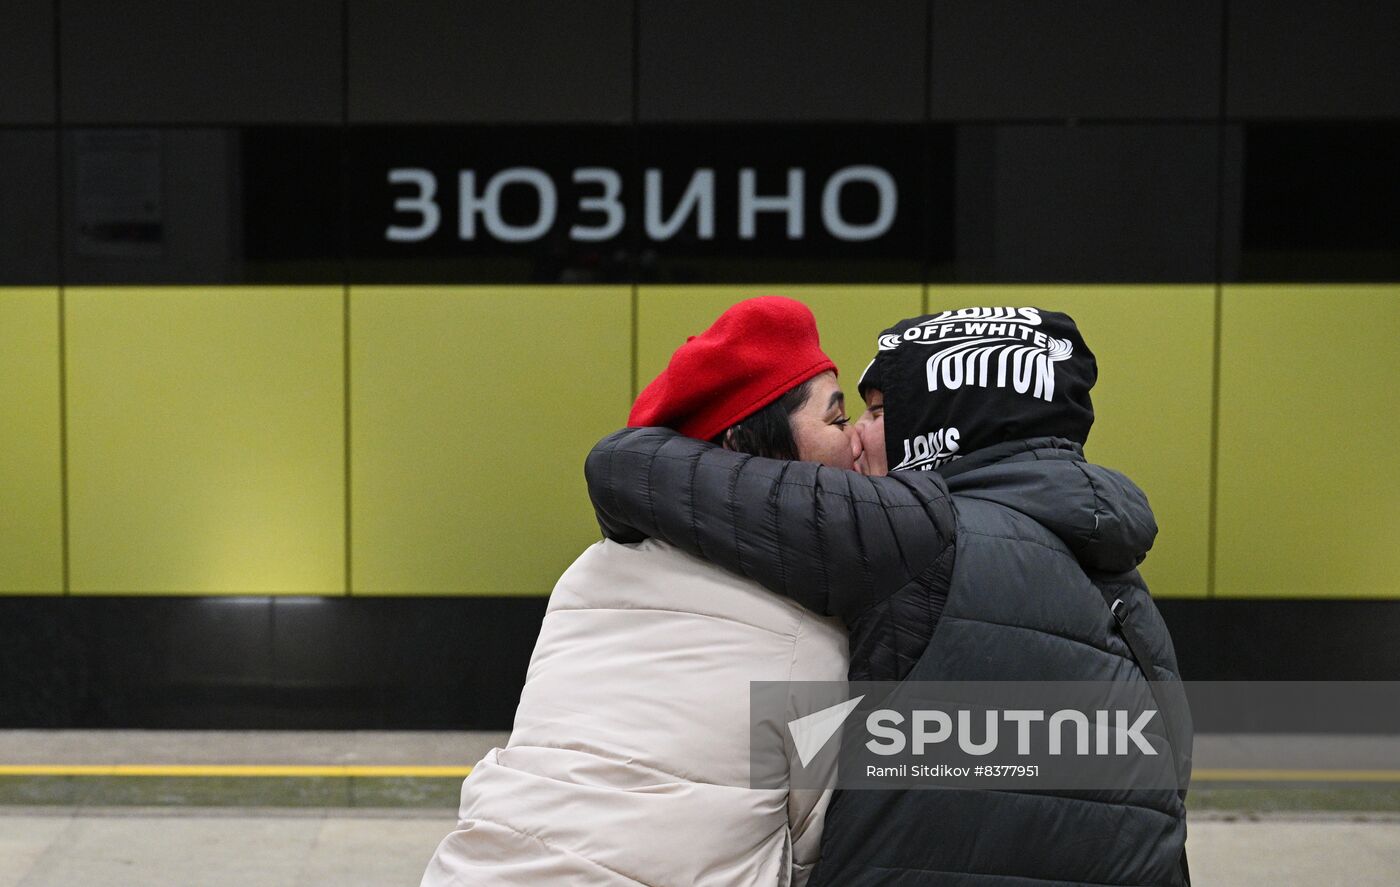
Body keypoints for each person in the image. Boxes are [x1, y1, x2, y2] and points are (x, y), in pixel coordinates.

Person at [588, 305, 1192, 886]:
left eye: (875, 414)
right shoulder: (1122, 589)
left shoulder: (924, 534)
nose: (854, 438)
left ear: (939, 434)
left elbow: (630, 470)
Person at [421, 296, 859, 887]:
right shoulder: (808, 627)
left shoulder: (589, 571)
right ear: (746, 447)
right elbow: (814, 856)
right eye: (836, 420)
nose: (856, 438)